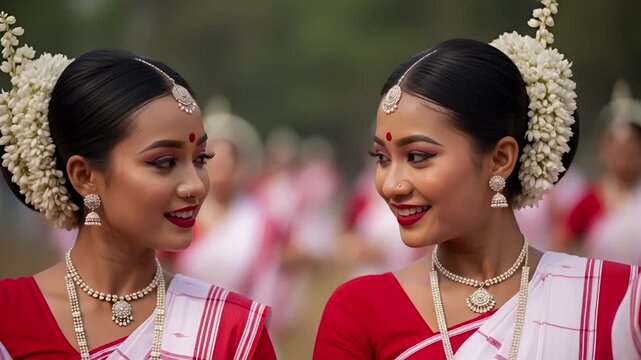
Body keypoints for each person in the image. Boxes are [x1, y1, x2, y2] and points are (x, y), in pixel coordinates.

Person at [313, 1, 641, 359]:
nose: (391, 185)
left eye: (418, 157)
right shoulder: (359, 313)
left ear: (500, 159)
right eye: (382, 158)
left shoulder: (617, 301)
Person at [0, 12, 275, 359]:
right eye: (164, 162)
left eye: (201, 159)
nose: (195, 186)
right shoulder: (8, 320)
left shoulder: (230, 331)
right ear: (84, 176)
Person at [556, 81, 641, 264]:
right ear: (605, 151)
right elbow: (562, 244)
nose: (625, 158)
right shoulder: (591, 199)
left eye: (631, 151)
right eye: (619, 151)